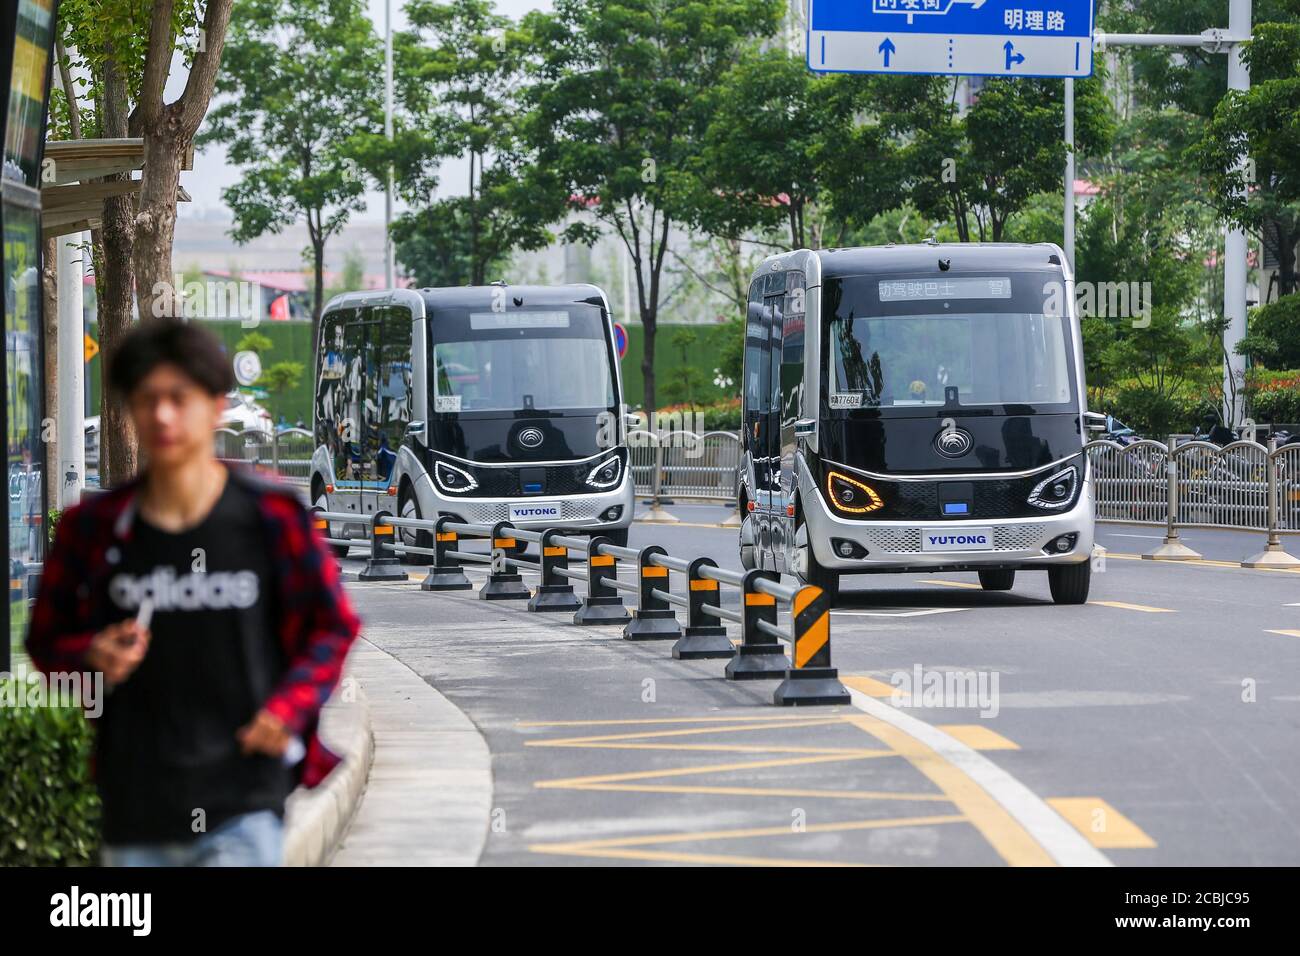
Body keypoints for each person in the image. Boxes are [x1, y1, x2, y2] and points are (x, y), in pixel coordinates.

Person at [27, 319, 360, 866]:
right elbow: (45, 642)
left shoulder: (270, 517)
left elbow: (332, 626)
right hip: (135, 801)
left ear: (214, 404)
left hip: (243, 798)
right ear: (128, 408)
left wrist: (287, 710)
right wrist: (91, 655)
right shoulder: (95, 528)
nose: (162, 415)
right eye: (147, 398)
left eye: (178, 398)